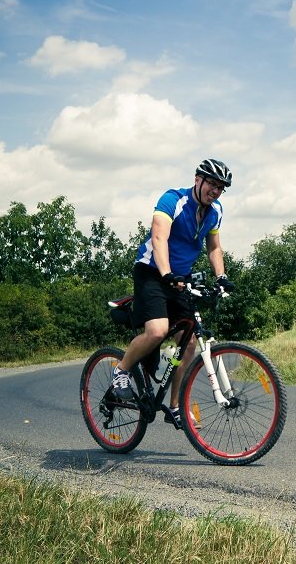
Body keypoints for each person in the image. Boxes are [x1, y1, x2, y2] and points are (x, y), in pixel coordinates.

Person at [112, 158, 234, 429]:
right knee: (157, 331)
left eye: (220, 187)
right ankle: (120, 371)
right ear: (197, 179)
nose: (215, 191)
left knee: (189, 341)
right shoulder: (172, 200)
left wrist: (221, 277)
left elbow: (214, 247)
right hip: (152, 272)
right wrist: (166, 273)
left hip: (178, 279)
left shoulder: (215, 211)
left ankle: (175, 406)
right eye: (212, 184)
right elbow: (159, 238)